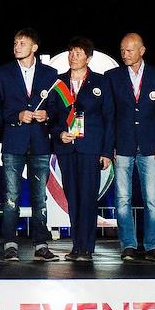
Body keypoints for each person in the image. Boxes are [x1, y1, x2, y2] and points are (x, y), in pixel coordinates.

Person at [0, 28, 59, 262]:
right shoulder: (2, 73)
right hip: (13, 142)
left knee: (40, 198)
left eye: (22, 43)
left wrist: (47, 115)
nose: (17, 46)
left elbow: (56, 106)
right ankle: (10, 244)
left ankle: (41, 244)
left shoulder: (50, 73)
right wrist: (17, 115)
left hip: (40, 143)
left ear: (34, 47)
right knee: (11, 197)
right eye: (15, 42)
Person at [107, 32, 155, 262]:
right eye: (122, 50)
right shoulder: (112, 77)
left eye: (129, 50)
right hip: (122, 146)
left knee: (152, 199)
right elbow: (109, 115)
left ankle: (152, 245)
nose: (125, 54)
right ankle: (128, 245)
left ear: (142, 51)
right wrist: (109, 146)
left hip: (150, 146)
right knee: (122, 199)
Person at [49, 37, 114, 262]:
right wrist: (59, 133)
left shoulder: (100, 82)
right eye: (71, 53)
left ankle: (87, 247)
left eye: (78, 53)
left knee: (88, 197)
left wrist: (107, 152)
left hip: (91, 148)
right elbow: (52, 116)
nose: (73, 57)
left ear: (88, 57)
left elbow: (109, 118)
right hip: (66, 148)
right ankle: (76, 246)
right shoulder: (59, 82)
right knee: (73, 198)